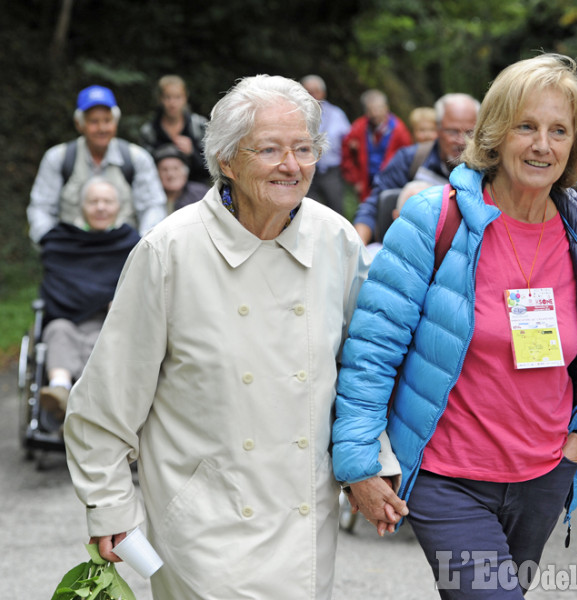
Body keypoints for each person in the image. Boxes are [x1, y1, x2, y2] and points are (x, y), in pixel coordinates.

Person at [63, 74, 370, 600]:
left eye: (303, 149)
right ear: (227, 160)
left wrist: (372, 463)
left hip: (301, 519)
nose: (291, 166)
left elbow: (365, 371)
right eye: (270, 149)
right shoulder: (169, 251)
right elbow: (105, 399)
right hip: (202, 525)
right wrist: (108, 505)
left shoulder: (335, 239)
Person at [333, 53, 577, 598]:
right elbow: (372, 349)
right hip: (450, 477)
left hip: (544, 475)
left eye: (559, 130)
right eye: (527, 126)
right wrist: (359, 463)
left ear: (575, 143)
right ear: (494, 132)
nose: (543, 145)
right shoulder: (433, 219)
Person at [38, 178, 140, 422]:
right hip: (65, 320)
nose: (101, 207)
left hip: (106, 324)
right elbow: (55, 287)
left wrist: (119, 302)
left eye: (107, 201)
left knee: (102, 341)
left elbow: (138, 291)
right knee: (57, 331)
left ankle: (76, 411)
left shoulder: (131, 244)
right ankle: (60, 390)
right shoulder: (60, 242)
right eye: (93, 201)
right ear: (81, 206)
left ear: (119, 206)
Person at [28, 85, 166, 243]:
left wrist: (143, 246)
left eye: (107, 120)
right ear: (79, 124)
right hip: (71, 251)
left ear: (116, 123)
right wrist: (50, 244)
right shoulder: (58, 158)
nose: (102, 128)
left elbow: (153, 206)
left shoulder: (137, 158)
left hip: (124, 252)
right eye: (94, 121)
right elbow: (41, 207)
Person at [352, 92, 480, 244]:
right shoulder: (411, 160)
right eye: (452, 131)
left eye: (469, 132)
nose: (460, 140)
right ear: (437, 129)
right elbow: (373, 205)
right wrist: (357, 248)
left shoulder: (486, 170)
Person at [341, 89, 412, 202]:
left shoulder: (399, 130)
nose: (375, 113)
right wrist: (355, 180)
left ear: (386, 108)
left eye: (378, 108)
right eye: (370, 110)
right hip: (366, 185)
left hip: (390, 184)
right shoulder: (359, 127)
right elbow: (346, 155)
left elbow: (407, 160)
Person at [139, 74, 210, 183]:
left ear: (185, 98)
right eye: (167, 97)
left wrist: (192, 152)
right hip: (160, 190)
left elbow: (211, 169)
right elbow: (144, 169)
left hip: (195, 189)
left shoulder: (198, 126)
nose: (172, 103)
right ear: (160, 99)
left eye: (178, 97)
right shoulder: (149, 131)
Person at [301, 74, 351, 216]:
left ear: (323, 93)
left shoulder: (337, 114)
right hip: (304, 169)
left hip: (331, 171)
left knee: (336, 210)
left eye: (316, 91)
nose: (313, 96)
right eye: (308, 92)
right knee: (306, 211)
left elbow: (349, 140)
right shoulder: (296, 114)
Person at [153, 143, 208, 213]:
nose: (170, 174)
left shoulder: (202, 194)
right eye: (164, 170)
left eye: (175, 169)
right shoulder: (149, 197)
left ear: (185, 172)